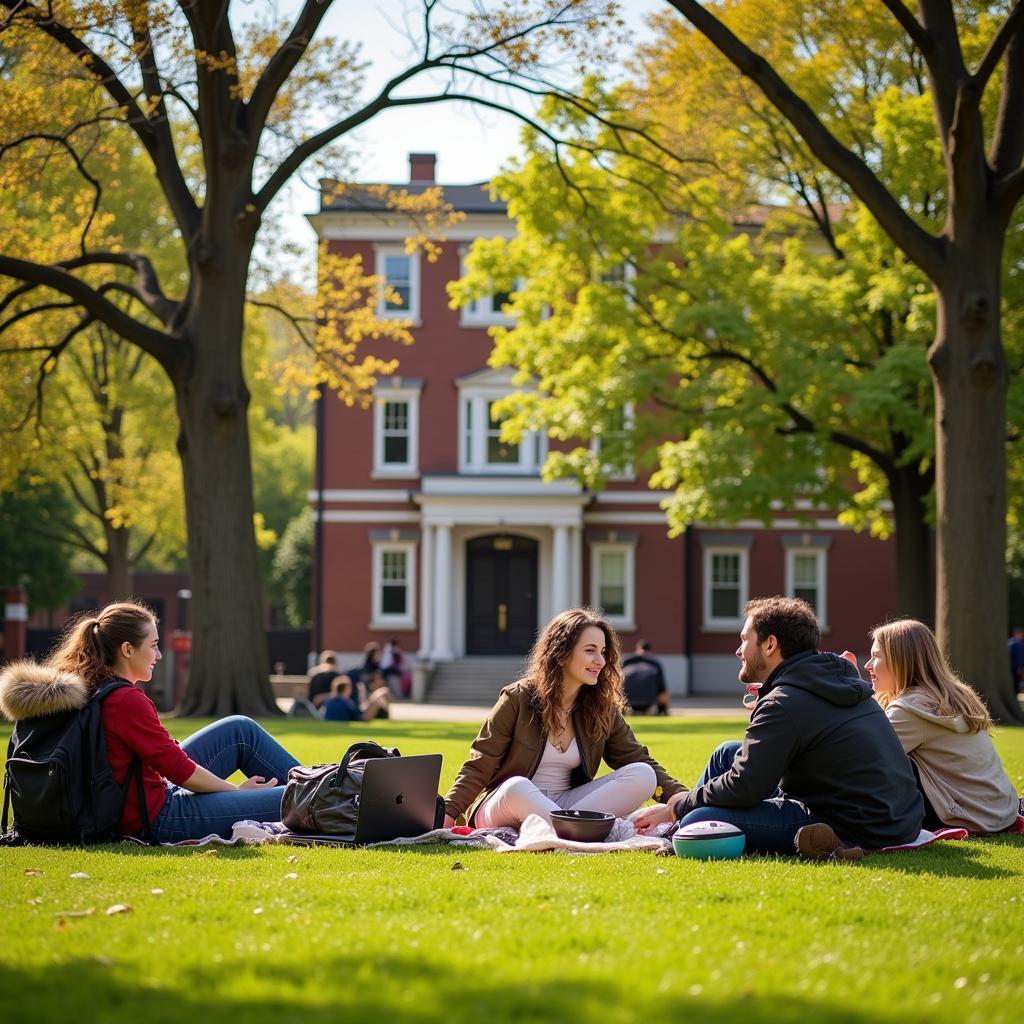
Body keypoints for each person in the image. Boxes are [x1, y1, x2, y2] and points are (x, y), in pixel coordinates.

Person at [636, 596, 923, 859]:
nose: (738, 650)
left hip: (854, 826)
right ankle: (676, 833)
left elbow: (746, 786)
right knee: (726, 753)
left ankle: (680, 831)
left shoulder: (786, 701)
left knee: (697, 822)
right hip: (899, 820)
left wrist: (679, 806)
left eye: (744, 640)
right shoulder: (831, 680)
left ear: (770, 644)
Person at [0, 601, 301, 843]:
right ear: (127, 649)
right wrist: (237, 792)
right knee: (293, 798)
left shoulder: (87, 685)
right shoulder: (124, 700)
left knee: (239, 730)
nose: (158, 654)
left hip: (137, 798)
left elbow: (163, 757)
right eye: (153, 645)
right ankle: (337, 798)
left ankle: (328, 790)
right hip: (157, 818)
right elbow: (180, 771)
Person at [443, 607, 686, 829]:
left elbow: (636, 757)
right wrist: (449, 811)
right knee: (518, 787)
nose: (600, 661)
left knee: (642, 774)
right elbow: (480, 763)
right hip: (507, 803)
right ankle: (585, 829)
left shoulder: (601, 707)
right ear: (561, 654)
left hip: (570, 805)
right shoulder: (517, 698)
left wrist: (680, 798)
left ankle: (566, 829)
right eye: (590, 651)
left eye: (602, 652)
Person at [867, 619, 1020, 833]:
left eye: (875, 657)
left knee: (879, 766)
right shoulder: (952, 695)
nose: (867, 665)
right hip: (998, 810)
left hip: (965, 816)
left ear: (899, 661)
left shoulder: (909, 709)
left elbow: (864, 757)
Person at [621, 640, 669, 715]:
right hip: (648, 702)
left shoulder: (626, 661)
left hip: (628, 701)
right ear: (649, 651)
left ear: (637, 649)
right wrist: (664, 710)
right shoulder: (655, 663)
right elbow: (662, 690)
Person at [322, 674, 391, 722]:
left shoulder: (331, 700)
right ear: (346, 688)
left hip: (348, 718)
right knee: (379, 700)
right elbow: (355, 714)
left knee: (380, 697)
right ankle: (390, 717)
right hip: (357, 719)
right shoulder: (345, 700)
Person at [1008, 627, 1024, 694]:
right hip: (1014, 666)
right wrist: (1019, 667)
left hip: (1017, 666)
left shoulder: (1018, 643)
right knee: (1015, 682)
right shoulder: (1013, 644)